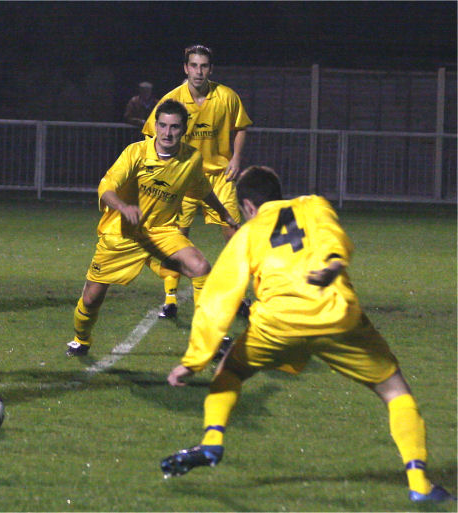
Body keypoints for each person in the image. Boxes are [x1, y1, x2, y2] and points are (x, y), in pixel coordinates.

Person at [160, 166, 456, 504]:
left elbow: (219, 296)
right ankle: (419, 482)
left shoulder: (248, 232)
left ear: (248, 206)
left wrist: (193, 360)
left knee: (231, 369)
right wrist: (332, 265)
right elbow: (334, 236)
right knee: (394, 390)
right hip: (334, 316)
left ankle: (212, 441)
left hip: (277, 324)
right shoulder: (314, 205)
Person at [66, 100, 237, 357]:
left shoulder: (190, 159)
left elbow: (203, 191)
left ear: (184, 129)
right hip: (122, 235)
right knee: (91, 299)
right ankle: (81, 339)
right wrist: (123, 208)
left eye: (175, 127)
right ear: (155, 126)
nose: (168, 133)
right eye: (163, 126)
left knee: (201, 267)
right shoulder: (135, 153)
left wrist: (224, 213)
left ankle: (210, 336)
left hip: (162, 232)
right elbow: (106, 188)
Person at [143, 45, 251, 319]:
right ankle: (170, 300)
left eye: (204, 66)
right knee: (177, 238)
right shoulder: (172, 100)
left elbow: (240, 128)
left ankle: (237, 296)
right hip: (183, 179)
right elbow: (149, 135)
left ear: (210, 69)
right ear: (185, 68)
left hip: (219, 177)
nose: (199, 71)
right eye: (194, 65)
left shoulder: (226, 96)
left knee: (233, 235)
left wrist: (237, 158)